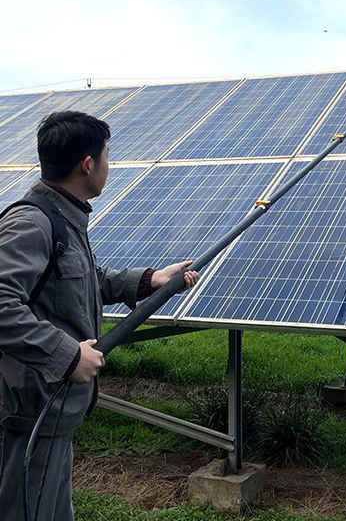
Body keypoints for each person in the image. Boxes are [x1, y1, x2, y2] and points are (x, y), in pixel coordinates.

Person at [0, 111, 199, 521]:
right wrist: (67, 355)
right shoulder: (33, 222)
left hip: (54, 409)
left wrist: (149, 280)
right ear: (87, 165)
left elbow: (80, 281)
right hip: (30, 410)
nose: (110, 166)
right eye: (107, 157)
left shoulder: (64, 218)